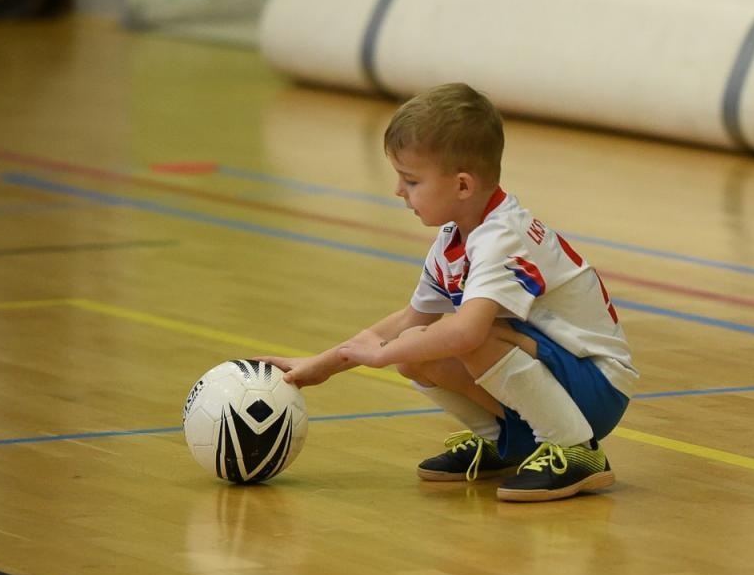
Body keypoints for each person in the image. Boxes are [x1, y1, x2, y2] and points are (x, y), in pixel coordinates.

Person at [259, 82, 637, 502]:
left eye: (410, 180)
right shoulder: (455, 237)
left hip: (598, 385)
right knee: (416, 349)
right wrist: (323, 364)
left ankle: (575, 449)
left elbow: (468, 334)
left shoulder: (500, 237)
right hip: (561, 379)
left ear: (462, 186)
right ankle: (510, 442)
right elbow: (409, 321)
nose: (399, 191)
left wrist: (384, 354)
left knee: (456, 338)